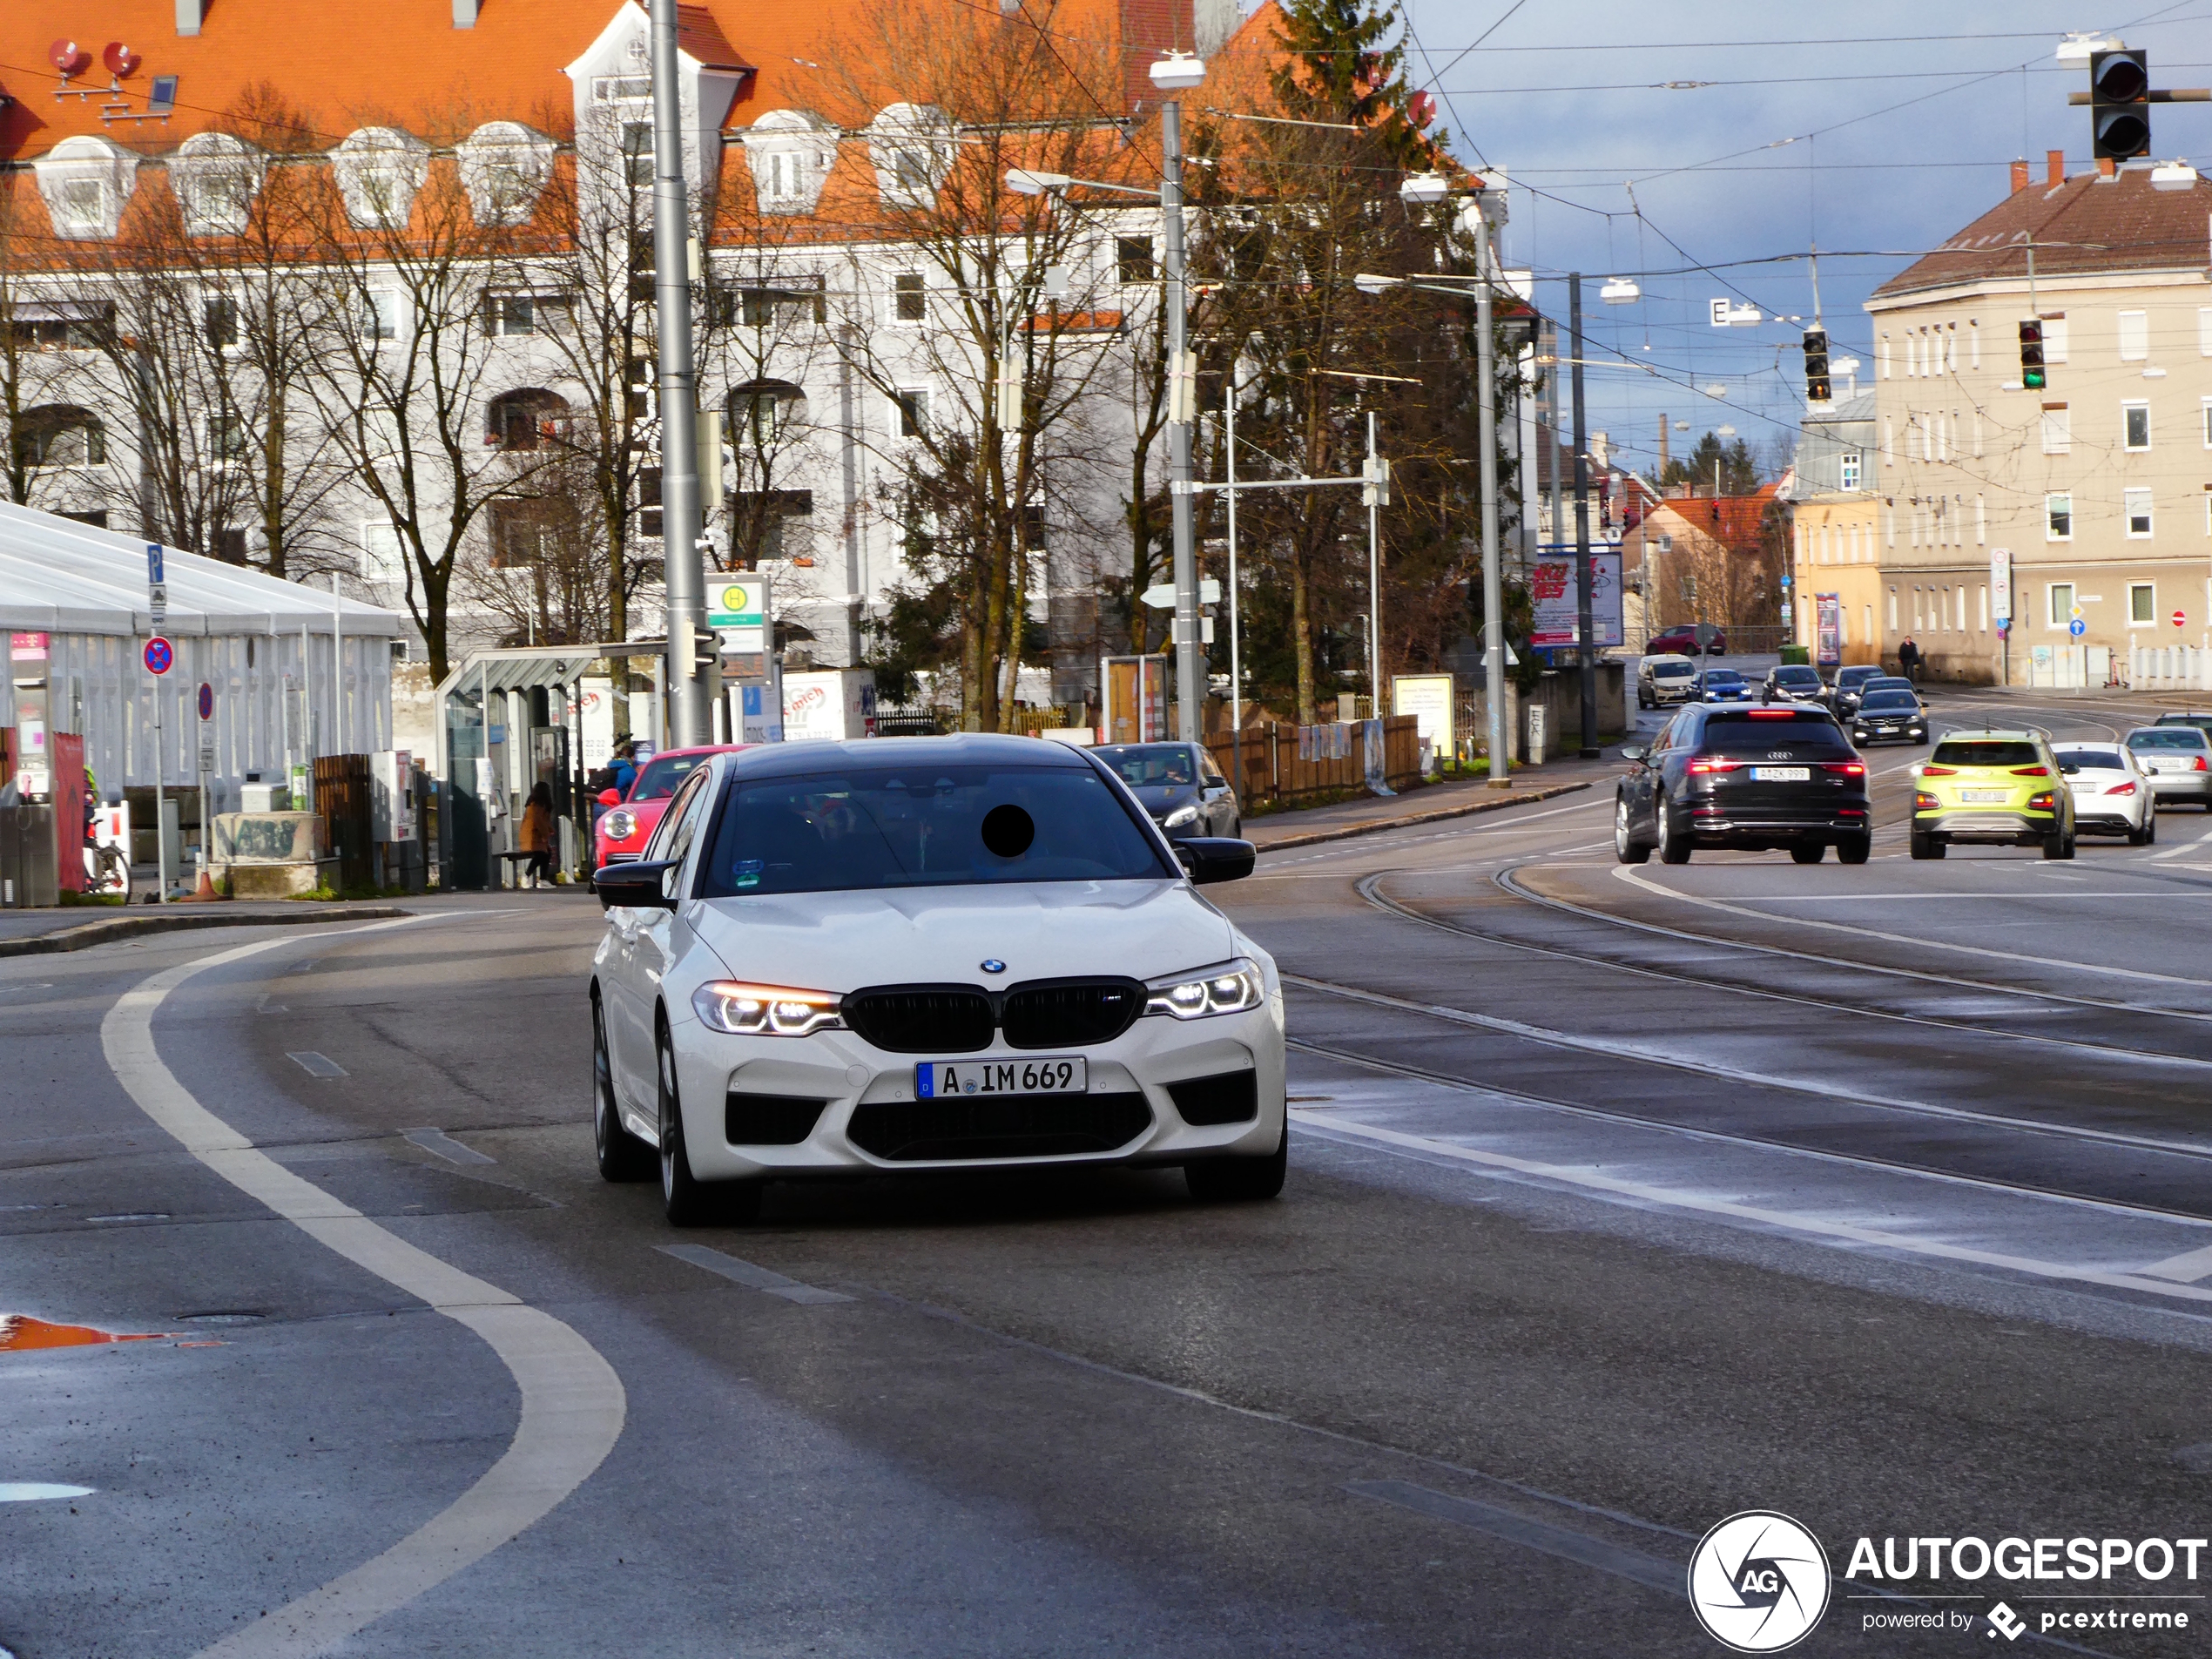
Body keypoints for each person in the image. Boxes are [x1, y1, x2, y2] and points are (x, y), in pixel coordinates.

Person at [519, 781, 555, 889]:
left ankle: (542, 879)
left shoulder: (535, 803)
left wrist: (549, 830)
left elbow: (543, 820)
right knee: (541, 855)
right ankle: (526, 876)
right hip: (532, 836)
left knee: (546, 854)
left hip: (533, 835)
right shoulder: (538, 804)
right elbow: (538, 820)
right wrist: (545, 834)